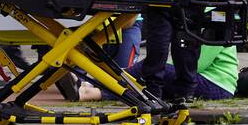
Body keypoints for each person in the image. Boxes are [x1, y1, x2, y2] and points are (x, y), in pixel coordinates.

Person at [78, 44, 238, 102]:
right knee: (151, 82)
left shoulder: (212, 21)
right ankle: (99, 86)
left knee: (153, 67)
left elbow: (195, 65)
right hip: (210, 83)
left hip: (215, 85)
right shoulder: (209, 16)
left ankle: (98, 89)